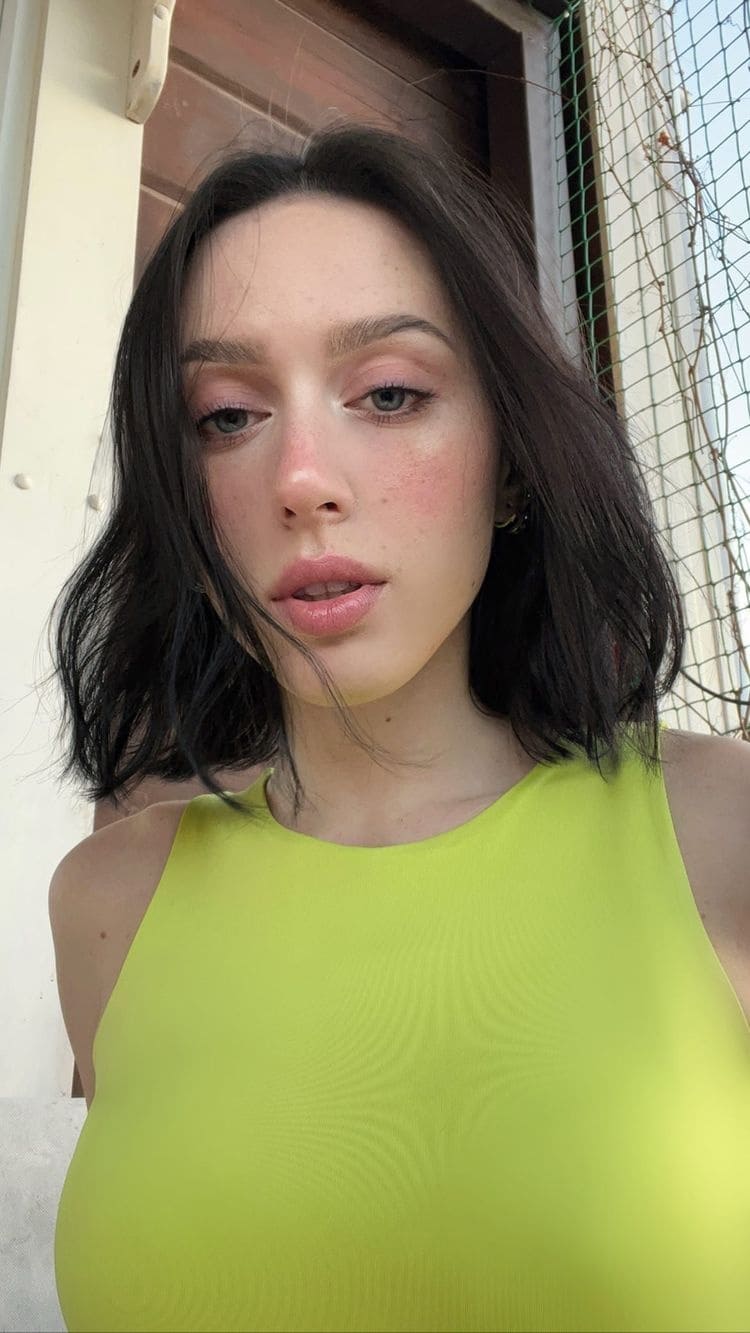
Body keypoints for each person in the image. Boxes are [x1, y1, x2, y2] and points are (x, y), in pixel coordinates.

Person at [49, 123, 749, 1333]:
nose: (300, 478)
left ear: (512, 459)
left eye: (389, 394)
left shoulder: (724, 836)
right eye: (226, 415)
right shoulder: (105, 906)